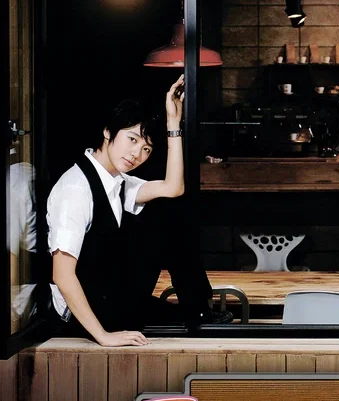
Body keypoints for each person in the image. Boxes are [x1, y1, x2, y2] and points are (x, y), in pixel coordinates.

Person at [47, 75, 232, 347]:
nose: (136, 154)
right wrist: (103, 336)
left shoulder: (117, 181)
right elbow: (62, 275)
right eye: (132, 139)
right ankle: (195, 311)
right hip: (81, 313)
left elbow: (173, 188)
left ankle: (196, 310)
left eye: (146, 148)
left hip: (111, 295)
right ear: (108, 131)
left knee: (169, 207)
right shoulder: (76, 188)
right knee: (166, 216)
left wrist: (173, 123)